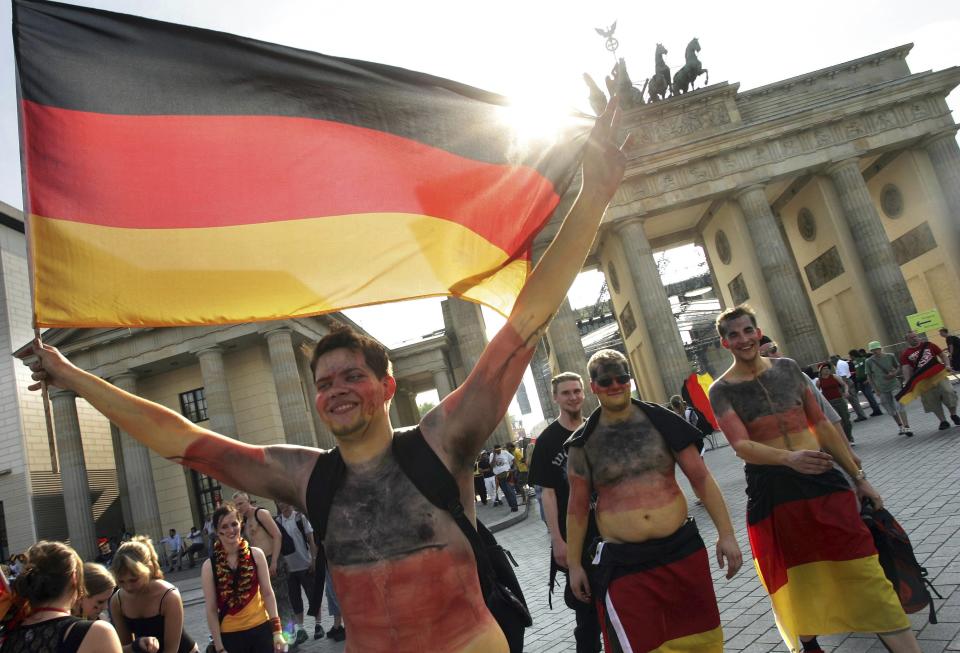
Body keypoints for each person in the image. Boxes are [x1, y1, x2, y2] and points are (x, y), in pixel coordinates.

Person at [23, 100, 628, 653]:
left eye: (351, 376)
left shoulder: (442, 441)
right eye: (324, 381)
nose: (335, 388)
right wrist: (73, 375)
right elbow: (184, 441)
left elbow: (523, 324)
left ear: (388, 387)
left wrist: (595, 194)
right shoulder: (306, 475)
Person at [709, 305, 919, 653]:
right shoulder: (722, 389)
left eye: (748, 331)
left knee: (863, 563)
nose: (743, 339)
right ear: (724, 343)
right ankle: (809, 642)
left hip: (823, 479)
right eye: (734, 335)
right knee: (798, 574)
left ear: (758, 333)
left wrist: (858, 477)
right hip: (773, 490)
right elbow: (741, 444)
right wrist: (788, 459)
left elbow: (821, 424)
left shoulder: (788, 369)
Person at [566, 349, 743, 653]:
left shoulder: (664, 422)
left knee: (699, 638)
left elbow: (701, 479)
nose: (615, 385)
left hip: (679, 550)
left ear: (630, 380)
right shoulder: (582, 444)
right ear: (593, 387)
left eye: (622, 378)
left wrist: (727, 534)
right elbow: (577, 508)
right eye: (606, 381)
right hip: (625, 563)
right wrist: (573, 565)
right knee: (640, 644)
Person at [526, 372, 601, 653]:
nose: (573, 397)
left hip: (608, 528)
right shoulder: (546, 441)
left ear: (584, 393)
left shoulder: (595, 428)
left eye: (577, 391)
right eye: (566, 393)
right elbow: (547, 493)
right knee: (587, 615)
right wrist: (557, 539)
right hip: (575, 538)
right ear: (555, 397)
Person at [2, 541, 122, 653]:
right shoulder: (98, 633)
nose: (105, 606)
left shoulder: (10, 638)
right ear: (74, 578)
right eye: (101, 601)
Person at [201, 503, 286, 653]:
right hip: (231, 636)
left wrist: (277, 631)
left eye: (234, 524)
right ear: (216, 530)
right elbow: (212, 609)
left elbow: (267, 593)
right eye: (224, 526)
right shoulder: (209, 566)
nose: (231, 530)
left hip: (261, 630)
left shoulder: (256, 555)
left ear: (241, 524)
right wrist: (220, 648)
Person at [109, 536, 198, 653]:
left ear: (148, 570)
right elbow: (125, 648)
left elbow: (171, 650)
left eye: (133, 580)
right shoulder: (117, 600)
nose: (128, 587)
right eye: (121, 581)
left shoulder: (168, 595)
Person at [232, 492, 294, 638]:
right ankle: (279, 636)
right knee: (269, 602)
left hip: (273, 560)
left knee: (282, 601)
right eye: (236, 505)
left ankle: (290, 638)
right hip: (260, 565)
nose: (239, 507)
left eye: (241, 503)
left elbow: (277, 535)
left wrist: (274, 562)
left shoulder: (261, 513)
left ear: (248, 501)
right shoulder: (245, 522)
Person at [275, 501, 319, 646]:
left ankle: (318, 625)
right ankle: (301, 629)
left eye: (284, 501)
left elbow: (311, 540)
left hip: (305, 565)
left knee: (313, 597)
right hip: (288, 569)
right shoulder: (277, 521)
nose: (282, 505)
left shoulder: (300, 518)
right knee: (295, 600)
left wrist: (313, 559)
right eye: (279, 502)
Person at [900, 330, 960, 431]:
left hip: (938, 375)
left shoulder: (929, 345)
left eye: (915, 336)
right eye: (912, 337)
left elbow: (942, 355)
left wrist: (948, 365)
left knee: (948, 392)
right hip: (922, 381)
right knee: (932, 400)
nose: (915, 338)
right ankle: (943, 421)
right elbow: (906, 368)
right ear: (907, 340)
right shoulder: (906, 354)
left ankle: (953, 415)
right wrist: (908, 382)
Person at [864, 341, 913, 437]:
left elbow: (898, 366)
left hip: (894, 385)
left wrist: (894, 373)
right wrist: (875, 389)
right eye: (873, 350)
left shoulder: (890, 356)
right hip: (881, 388)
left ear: (880, 348)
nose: (875, 351)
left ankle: (907, 427)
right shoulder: (869, 361)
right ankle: (900, 426)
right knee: (890, 409)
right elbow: (869, 377)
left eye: (877, 349)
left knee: (900, 405)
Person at [816, 364, 854, 444]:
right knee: (838, 422)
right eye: (824, 369)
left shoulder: (834, 377)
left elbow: (844, 385)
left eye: (828, 368)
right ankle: (844, 440)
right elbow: (817, 393)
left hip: (840, 400)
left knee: (846, 420)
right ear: (820, 370)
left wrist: (846, 391)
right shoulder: (819, 381)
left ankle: (849, 437)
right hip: (829, 403)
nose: (826, 370)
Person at [832, 354, 868, 422]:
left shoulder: (839, 364)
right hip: (849, 380)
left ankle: (861, 415)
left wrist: (845, 388)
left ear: (834, 360)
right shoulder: (842, 362)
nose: (832, 363)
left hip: (846, 382)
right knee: (854, 400)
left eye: (831, 361)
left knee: (853, 401)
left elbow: (843, 376)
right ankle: (861, 415)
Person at [849, 349, 884, 417]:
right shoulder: (855, 362)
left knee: (870, 395)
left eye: (850, 356)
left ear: (853, 355)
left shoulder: (864, 360)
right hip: (860, 381)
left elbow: (870, 370)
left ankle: (877, 410)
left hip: (866, 380)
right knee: (867, 396)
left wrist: (868, 379)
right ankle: (874, 410)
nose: (850, 357)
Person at [490, 444, 519, 512]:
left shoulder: (505, 452)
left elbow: (513, 459)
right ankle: (512, 506)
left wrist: (514, 468)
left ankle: (515, 506)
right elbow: (492, 466)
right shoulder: (492, 455)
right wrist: (494, 455)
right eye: (497, 451)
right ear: (494, 450)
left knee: (510, 491)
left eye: (499, 450)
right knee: (506, 492)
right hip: (499, 477)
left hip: (508, 475)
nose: (499, 452)